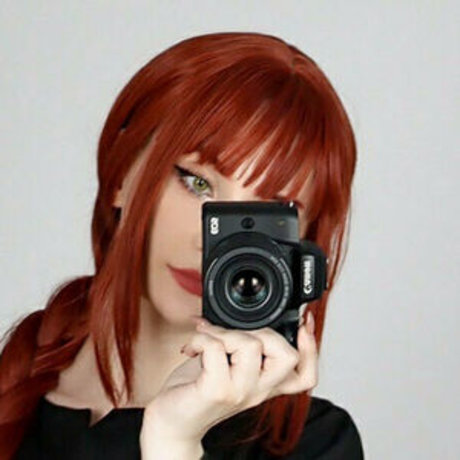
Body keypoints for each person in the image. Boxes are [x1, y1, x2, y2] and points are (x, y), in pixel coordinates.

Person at [0, 31, 364, 459]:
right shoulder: (14, 391)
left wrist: (173, 442)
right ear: (122, 174)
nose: (211, 245)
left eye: (265, 214)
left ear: (301, 249)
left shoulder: (317, 445)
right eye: (197, 183)